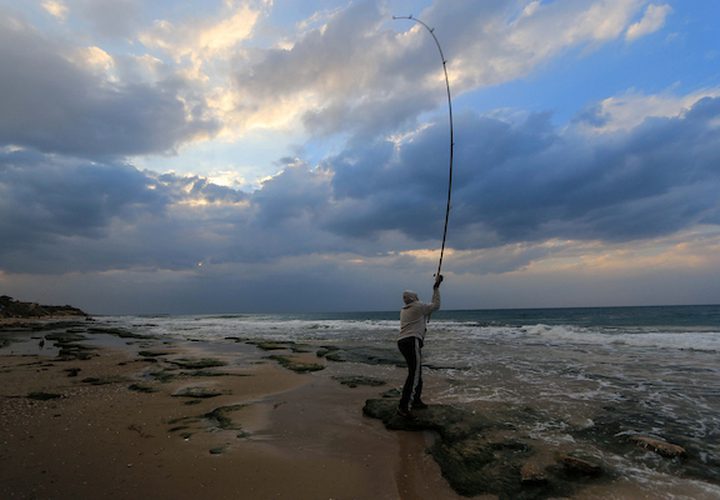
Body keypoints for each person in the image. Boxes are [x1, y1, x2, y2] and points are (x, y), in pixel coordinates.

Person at [397, 274, 443, 418]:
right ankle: (404, 407)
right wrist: (436, 288)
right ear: (415, 298)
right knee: (414, 374)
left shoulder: (405, 310)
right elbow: (436, 306)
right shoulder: (418, 306)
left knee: (416, 371)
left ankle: (415, 400)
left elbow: (423, 314)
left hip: (403, 342)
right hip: (412, 341)